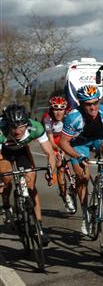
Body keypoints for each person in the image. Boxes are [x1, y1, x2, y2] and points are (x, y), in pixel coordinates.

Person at [59, 85, 103, 235]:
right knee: (83, 177)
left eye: (95, 103)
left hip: (99, 139)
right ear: (81, 104)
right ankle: (86, 214)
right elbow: (63, 142)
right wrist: (77, 156)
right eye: (88, 104)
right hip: (79, 144)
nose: (93, 107)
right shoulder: (73, 117)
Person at [0, 104, 56, 246]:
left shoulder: (36, 127)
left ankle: (39, 228)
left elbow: (50, 153)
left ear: (27, 123)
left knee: (31, 186)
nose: (17, 131)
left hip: (21, 151)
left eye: (21, 126)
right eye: (13, 127)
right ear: (8, 124)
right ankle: (6, 206)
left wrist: (51, 171)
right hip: (4, 152)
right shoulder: (1, 130)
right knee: (6, 177)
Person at [42, 95, 75, 213]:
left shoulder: (68, 115)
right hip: (52, 141)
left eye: (61, 109)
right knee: (60, 165)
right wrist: (60, 150)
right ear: (51, 110)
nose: (59, 112)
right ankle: (65, 195)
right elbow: (50, 142)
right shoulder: (47, 119)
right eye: (56, 109)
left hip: (64, 138)